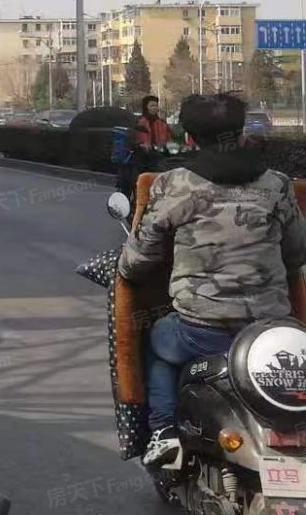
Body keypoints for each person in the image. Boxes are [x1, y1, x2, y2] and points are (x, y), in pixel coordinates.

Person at [119, 92, 306, 469]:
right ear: (240, 134)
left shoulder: (174, 185)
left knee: (157, 343)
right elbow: (297, 252)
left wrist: (126, 268)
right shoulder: (276, 184)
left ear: (190, 138)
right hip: (270, 330)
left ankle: (163, 431)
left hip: (200, 331)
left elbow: (138, 261)